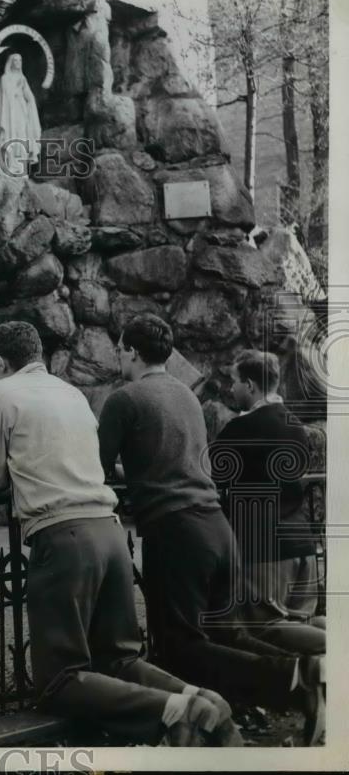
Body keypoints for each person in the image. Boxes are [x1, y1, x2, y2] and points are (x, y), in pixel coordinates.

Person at [0, 320, 242, 747]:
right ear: (37, 355)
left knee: (60, 679)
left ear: (0, 361)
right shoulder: (72, 392)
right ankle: (199, 698)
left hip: (62, 537)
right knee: (120, 658)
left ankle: (175, 712)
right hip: (111, 533)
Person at [98, 315, 324, 744]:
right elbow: (184, 462)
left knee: (181, 645)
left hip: (176, 530)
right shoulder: (185, 395)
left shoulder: (123, 400)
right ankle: (289, 684)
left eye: (120, 349)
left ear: (130, 351)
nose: (118, 357)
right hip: (218, 527)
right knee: (228, 632)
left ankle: (290, 681)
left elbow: (96, 466)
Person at [212, 349, 326, 651]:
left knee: (263, 627)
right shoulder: (295, 424)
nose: (231, 388)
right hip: (301, 543)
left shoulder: (240, 429)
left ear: (250, 385)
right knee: (301, 626)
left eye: (235, 381)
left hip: (264, 548)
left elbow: (211, 476)